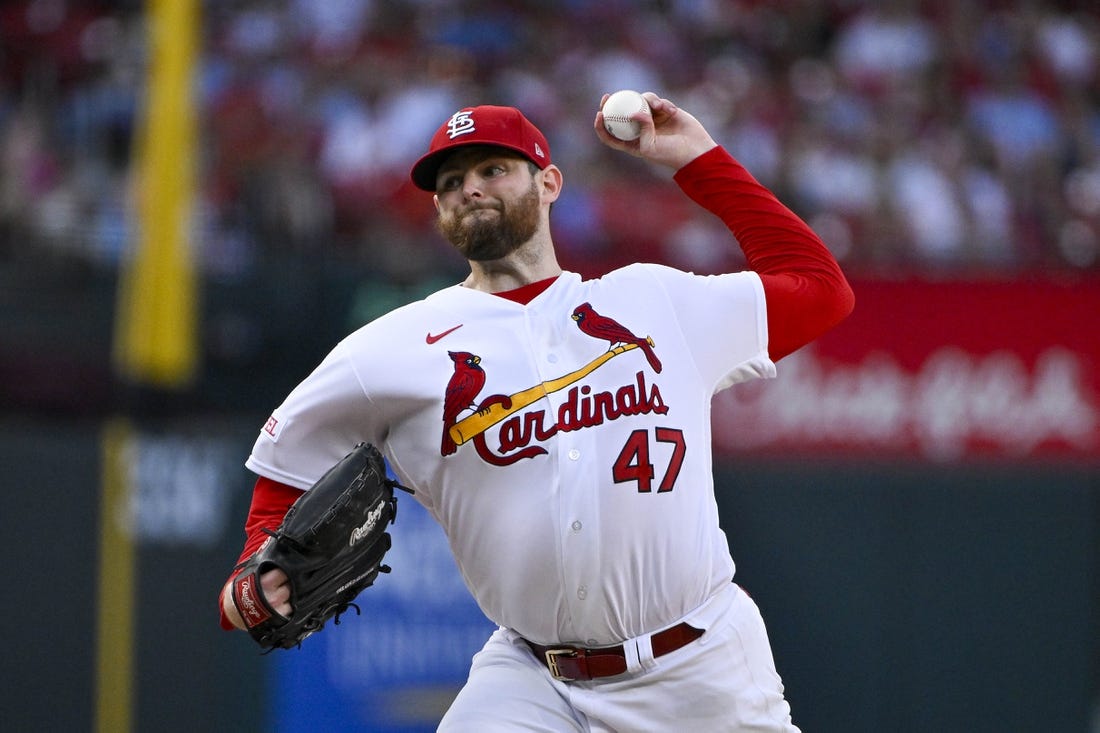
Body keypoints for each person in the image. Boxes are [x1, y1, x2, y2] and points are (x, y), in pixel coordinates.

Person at [220, 92, 854, 732]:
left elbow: (821, 291)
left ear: (549, 182)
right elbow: (287, 471)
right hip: (533, 679)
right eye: (450, 182)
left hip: (698, 666)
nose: (470, 188)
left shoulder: (656, 300)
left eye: (493, 169)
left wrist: (698, 159)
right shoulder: (390, 350)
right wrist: (251, 575)